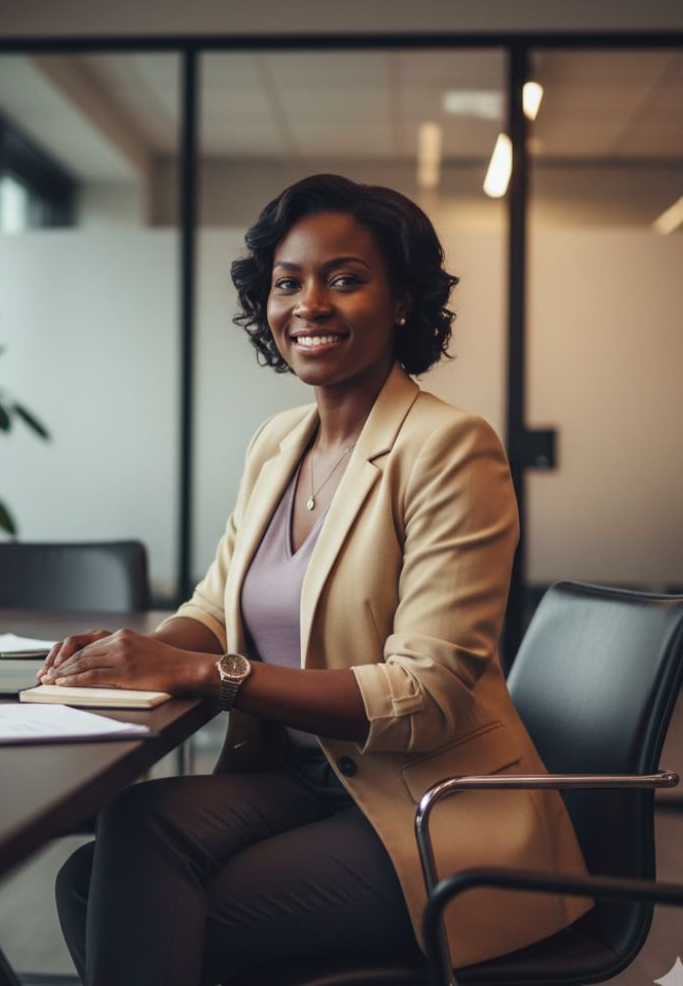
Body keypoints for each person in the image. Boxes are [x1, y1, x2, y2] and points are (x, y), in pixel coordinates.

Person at [37, 174, 590, 985]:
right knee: (118, 846)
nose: (309, 304)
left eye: (345, 278)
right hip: (300, 776)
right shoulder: (278, 442)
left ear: (402, 301)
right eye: (288, 282)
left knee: (137, 906)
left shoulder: (448, 448)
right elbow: (216, 605)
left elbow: (426, 693)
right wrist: (134, 657)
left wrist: (201, 673)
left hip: (430, 807)